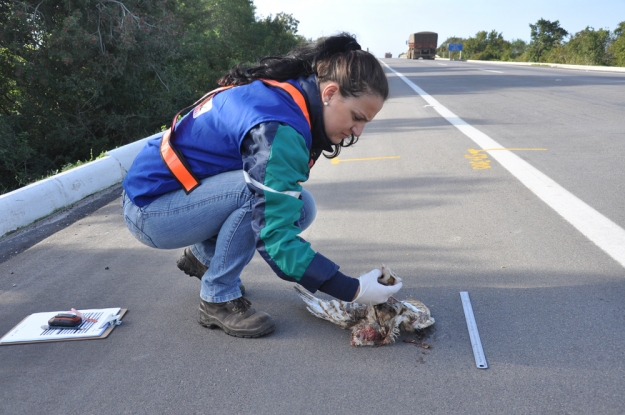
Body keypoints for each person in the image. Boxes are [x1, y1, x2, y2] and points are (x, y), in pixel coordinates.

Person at [121, 33, 402, 338]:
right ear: (330, 93)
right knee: (254, 196)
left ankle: (204, 259)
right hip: (150, 209)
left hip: (171, 192)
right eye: (356, 117)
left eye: (365, 124)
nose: (357, 132)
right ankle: (218, 298)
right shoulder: (280, 128)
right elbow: (275, 238)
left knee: (300, 205)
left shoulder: (289, 94)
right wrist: (352, 289)